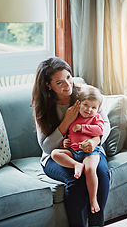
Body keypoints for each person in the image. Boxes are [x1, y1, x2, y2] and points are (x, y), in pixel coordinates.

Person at [31, 57, 110, 227]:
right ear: (48, 85)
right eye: (59, 82)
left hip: (89, 150)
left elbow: (106, 125)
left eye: (68, 77)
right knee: (76, 180)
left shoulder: (84, 94)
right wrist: (66, 121)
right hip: (59, 155)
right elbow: (45, 146)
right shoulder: (42, 107)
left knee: (101, 174)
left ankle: (97, 224)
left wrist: (95, 140)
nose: (67, 84)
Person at [51, 84, 104, 214]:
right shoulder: (73, 117)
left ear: (98, 109)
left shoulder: (95, 118)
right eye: (86, 105)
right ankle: (76, 165)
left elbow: (100, 130)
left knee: (91, 169)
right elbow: (69, 135)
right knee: (55, 153)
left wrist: (83, 128)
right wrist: (65, 142)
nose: (88, 109)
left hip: (90, 152)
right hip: (73, 151)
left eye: (93, 107)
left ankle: (93, 200)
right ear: (79, 103)